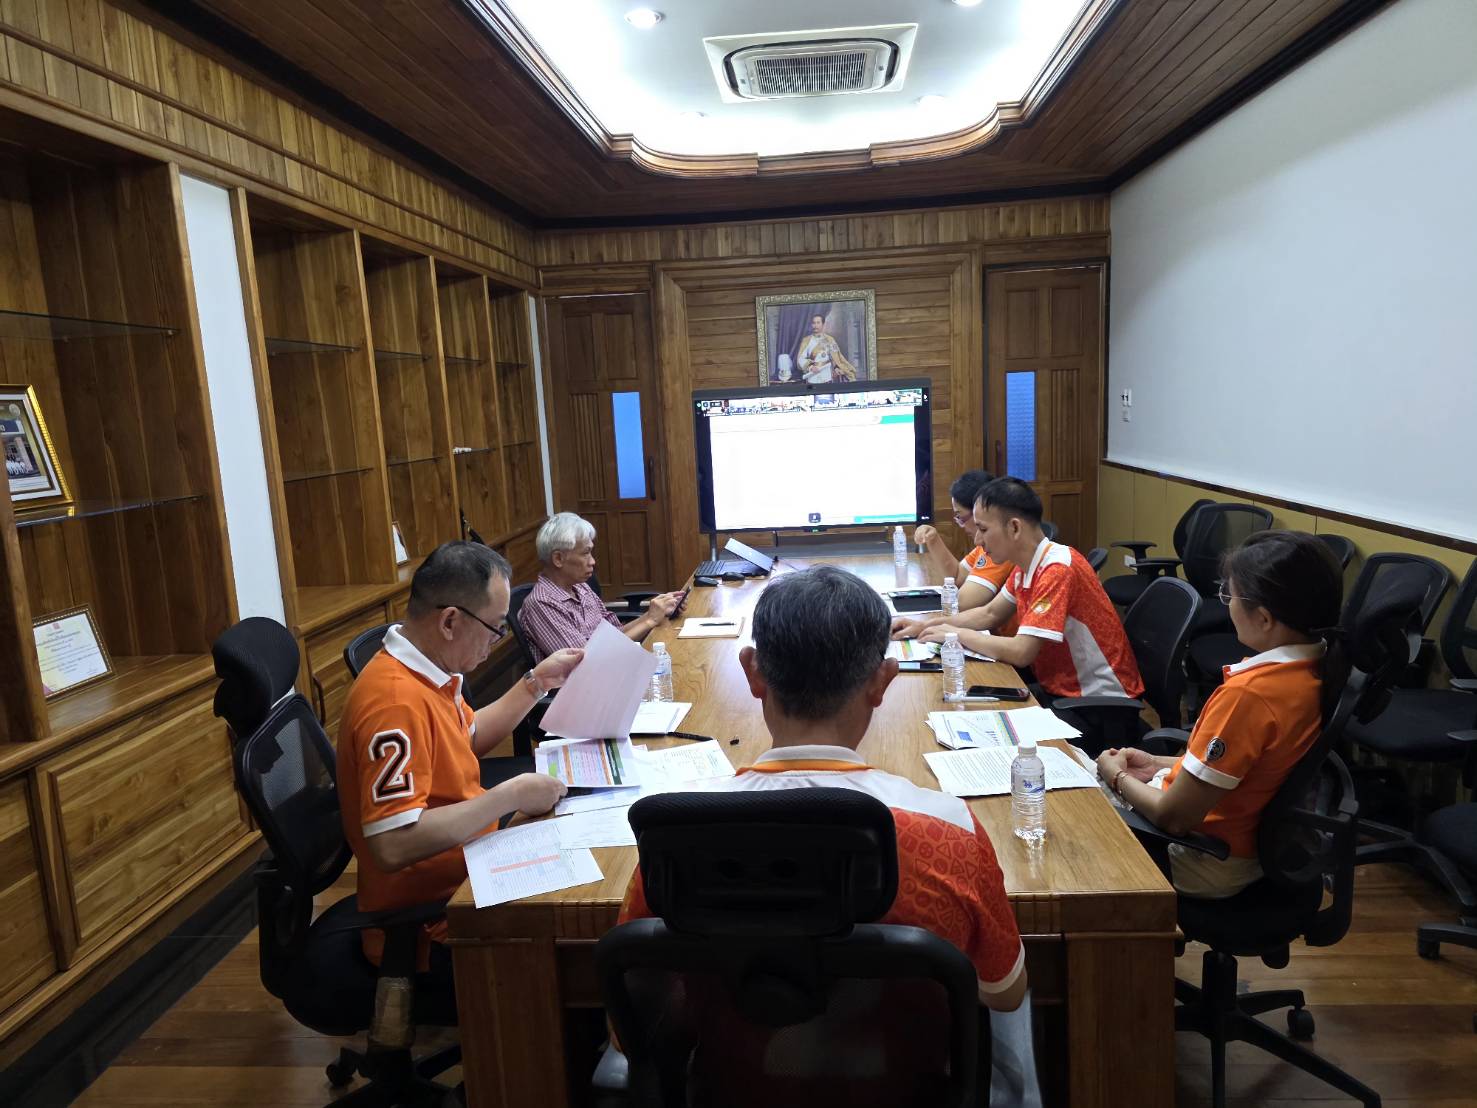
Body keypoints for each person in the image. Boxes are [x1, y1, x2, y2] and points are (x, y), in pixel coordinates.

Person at [620, 566, 1027, 1010]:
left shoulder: (676, 829)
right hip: (901, 1055)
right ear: (882, 681)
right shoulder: (948, 828)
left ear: (753, 673)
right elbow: (1004, 993)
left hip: (720, 1055)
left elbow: (634, 998)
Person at [337, 541, 581, 974]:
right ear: (450, 621)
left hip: (473, 867)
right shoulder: (394, 701)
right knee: (584, 935)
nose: (496, 641)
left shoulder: (428, 671)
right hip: (433, 916)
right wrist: (509, 795)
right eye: (495, 627)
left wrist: (536, 683)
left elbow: (467, 736)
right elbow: (393, 844)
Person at [1096, 531, 1344, 897]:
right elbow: (1244, 770)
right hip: (1247, 843)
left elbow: (1173, 818)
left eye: (1230, 595)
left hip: (1203, 857)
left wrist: (1115, 776)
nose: (1226, 604)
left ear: (1264, 618)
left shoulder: (1250, 696)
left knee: (1072, 812)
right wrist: (1157, 764)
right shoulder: (1313, 665)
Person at [893, 477, 1143, 734]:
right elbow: (990, 613)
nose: (978, 540)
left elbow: (1022, 652)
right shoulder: (1028, 564)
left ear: (1014, 527)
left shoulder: (1058, 569)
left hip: (1098, 708)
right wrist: (926, 625)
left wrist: (955, 634)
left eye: (983, 529)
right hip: (1061, 691)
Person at [517, 512, 685, 663]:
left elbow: (616, 634)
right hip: (587, 685)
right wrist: (649, 621)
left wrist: (654, 613)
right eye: (585, 553)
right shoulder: (541, 604)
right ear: (558, 559)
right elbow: (585, 661)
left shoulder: (581, 588)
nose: (592, 561)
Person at [909, 469, 1019, 631]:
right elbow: (957, 577)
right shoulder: (986, 545)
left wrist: (926, 625)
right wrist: (933, 539)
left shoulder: (1001, 549)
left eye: (960, 517)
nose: (977, 541)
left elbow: (963, 603)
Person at [795, 312, 858, 384]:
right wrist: (811, 367)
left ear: (823, 324)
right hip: (813, 375)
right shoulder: (806, 340)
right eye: (814, 323)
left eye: (818, 323)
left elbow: (836, 357)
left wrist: (836, 368)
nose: (815, 325)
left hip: (827, 374)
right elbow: (801, 358)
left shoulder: (830, 339)